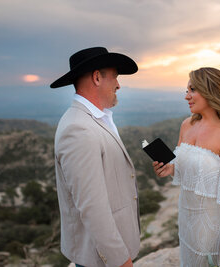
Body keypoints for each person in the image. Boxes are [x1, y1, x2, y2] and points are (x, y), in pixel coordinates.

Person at [51, 47, 140, 267]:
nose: (118, 85)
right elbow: (93, 207)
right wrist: (121, 261)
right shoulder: (78, 129)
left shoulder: (96, 120)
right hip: (100, 259)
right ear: (97, 77)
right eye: (115, 78)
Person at [153, 67, 220, 266]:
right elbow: (182, 167)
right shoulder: (187, 124)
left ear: (210, 90)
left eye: (192, 90)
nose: (187, 96)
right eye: (186, 91)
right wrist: (170, 169)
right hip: (185, 213)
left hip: (209, 220)